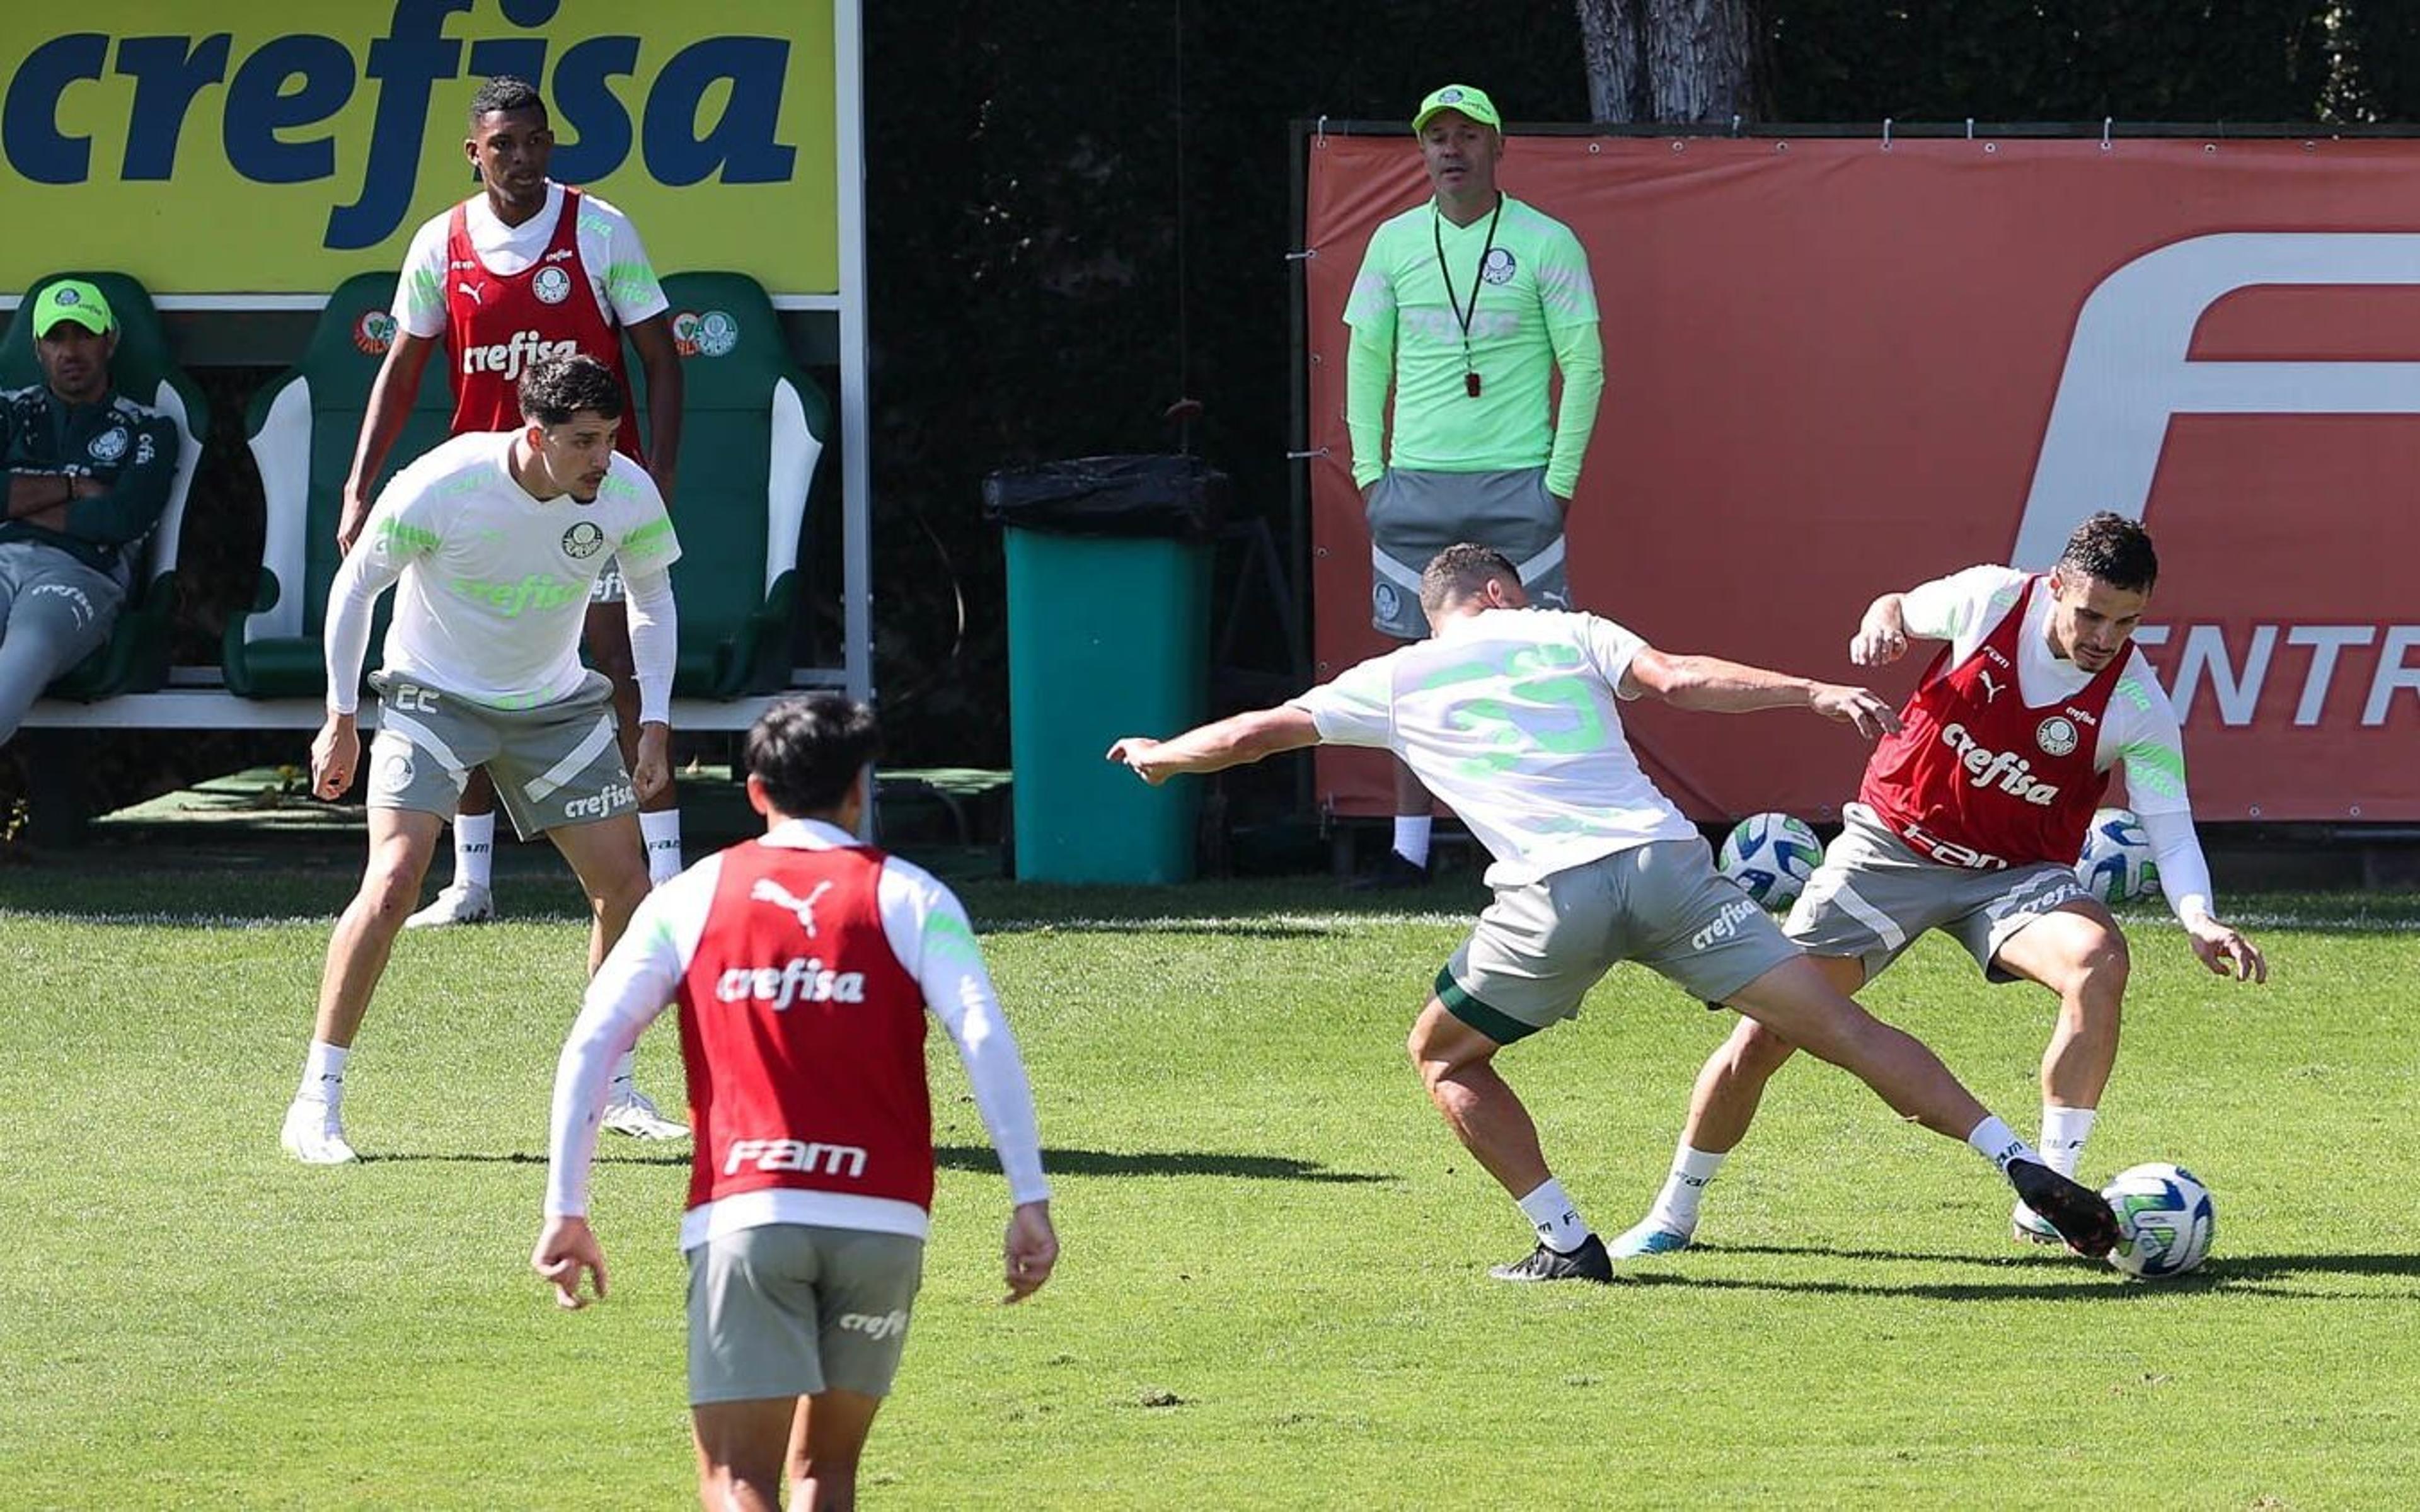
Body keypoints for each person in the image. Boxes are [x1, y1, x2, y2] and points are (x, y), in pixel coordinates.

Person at [1107, 543, 2120, 1283]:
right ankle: (2017, 1162)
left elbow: (1255, 735)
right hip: (1671, 865)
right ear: (1506, 591)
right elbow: (1681, 681)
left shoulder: (1395, 676)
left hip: (1554, 895)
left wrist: (1162, 753)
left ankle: (1564, 1241)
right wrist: (1812, 692)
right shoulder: (1568, 631)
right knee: (1844, 1030)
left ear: (1447, 610)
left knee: (1446, 1055)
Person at [1611, 512, 2268, 1257]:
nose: (2104, 638)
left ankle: (2052, 1191)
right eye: (2090, 614)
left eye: (2127, 622)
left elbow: (2170, 823)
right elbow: (1894, 606)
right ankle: (1674, 1213)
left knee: (2098, 959)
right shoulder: (1988, 601)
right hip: (1890, 851)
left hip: (2014, 880)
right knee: (1765, 1033)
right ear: (2055, 586)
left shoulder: (2138, 705)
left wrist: (2198, 918)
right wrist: (1878, 625)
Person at [533, 694, 1057, 1512]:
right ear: (859, 791)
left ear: (754, 792)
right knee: (827, 1477)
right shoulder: (914, 898)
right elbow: (983, 1035)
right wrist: (1029, 1196)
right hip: (883, 1222)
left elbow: (594, 1042)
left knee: (736, 1480)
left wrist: (567, 1206)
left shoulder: (691, 897)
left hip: (748, 1214)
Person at [281, 353, 684, 1164]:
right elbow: (355, 588)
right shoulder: (444, 483)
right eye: (583, 442)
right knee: (394, 881)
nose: (602, 459)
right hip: (431, 697)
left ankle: (611, 1087)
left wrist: (657, 726)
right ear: (534, 436)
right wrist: (341, 719)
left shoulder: (626, 492)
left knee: (628, 888)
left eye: (609, 439)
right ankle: (314, 1104)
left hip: (556, 706)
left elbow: (653, 600)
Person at [340, 73, 688, 948]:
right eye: (504, 145)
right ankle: (473, 879)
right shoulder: (440, 242)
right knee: (464, 667)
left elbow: (663, 358)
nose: (523, 159)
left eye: (536, 142)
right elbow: (405, 368)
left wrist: (658, 473)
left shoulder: (600, 230)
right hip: (482, 499)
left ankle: (666, 873)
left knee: (617, 652)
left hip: (584, 488)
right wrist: (359, 482)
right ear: (475, 152)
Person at [1341, 84, 1605, 890]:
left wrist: (1556, 485)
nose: (1450, 150)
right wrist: (1369, 476)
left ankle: (1535, 847)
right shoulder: (1391, 243)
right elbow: (1366, 365)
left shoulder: (1546, 241)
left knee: (1536, 670)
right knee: (1411, 673)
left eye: (1467, 135)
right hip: (1414, 488)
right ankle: (1409, 851)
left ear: (1499, 147)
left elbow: (1585, 366)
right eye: (1436, 138)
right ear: (1421, 152)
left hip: (1516, 489)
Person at [0, 280, 179, 746]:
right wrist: (72, 487)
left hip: (82, 573)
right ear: (38, 348)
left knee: (28, 648)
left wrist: (18, 507)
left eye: (83, 335)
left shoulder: (150, 425)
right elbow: (98, 507)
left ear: (110, 340)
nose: (70, 351)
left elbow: (122, 519)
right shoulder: (9, 411)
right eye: (56, 338)